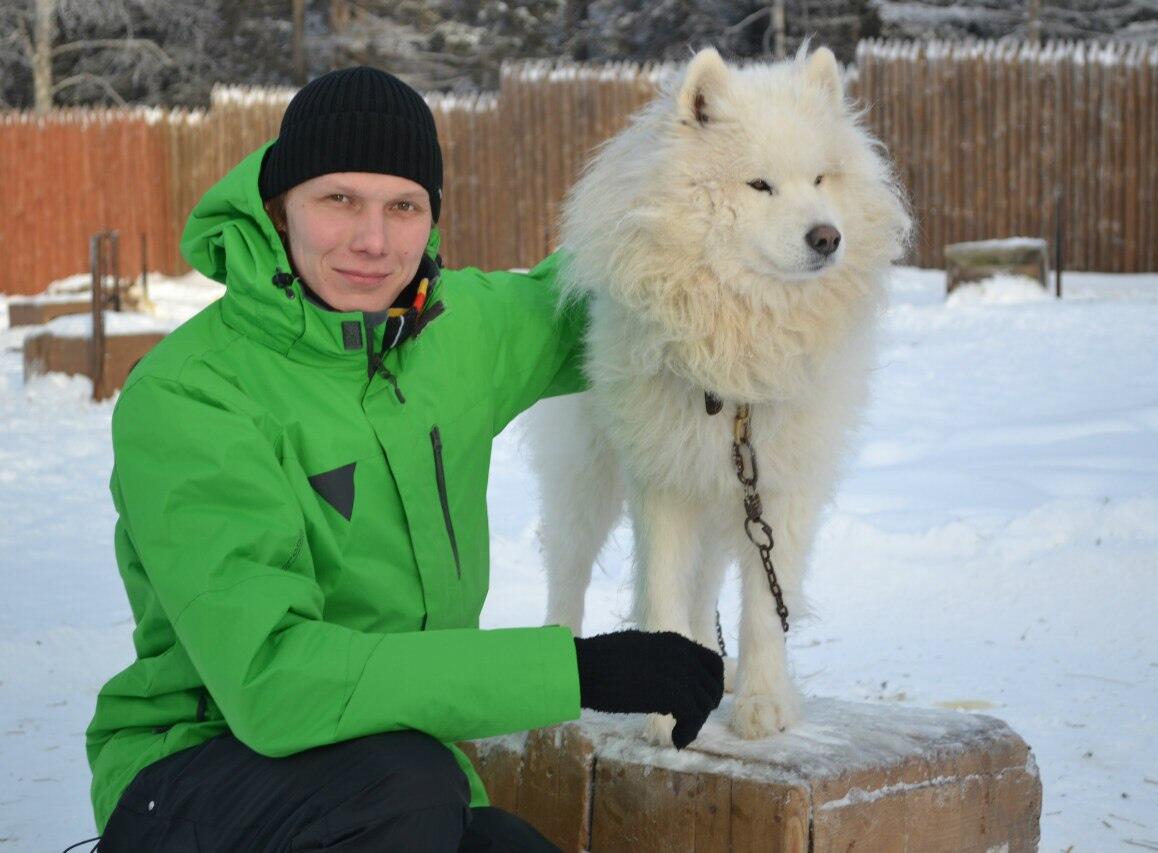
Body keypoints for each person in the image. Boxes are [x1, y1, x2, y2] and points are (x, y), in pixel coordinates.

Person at [84, 66, 724, 852]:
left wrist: (709, 199)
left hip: (397, 779)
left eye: (403, 206)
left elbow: (603, 290)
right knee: (407, 786)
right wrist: (582, 670)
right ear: (280, 206)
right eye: (339, 200)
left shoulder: (457, 335)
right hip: (193, 780)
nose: (373, 241)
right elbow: (272, 679)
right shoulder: (193, 396)